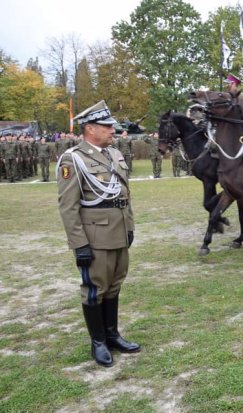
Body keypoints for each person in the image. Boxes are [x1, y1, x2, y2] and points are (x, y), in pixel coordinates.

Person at [57, 100, 140, 367]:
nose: (112, 130)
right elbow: (68, 207)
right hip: (95, 237)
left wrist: (129, 227)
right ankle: (98, 341)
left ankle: (112, 335)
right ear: (90, 129)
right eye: (107, 126)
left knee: (115, 285)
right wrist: (79, 244)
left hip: (118, 231)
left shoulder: (112, 154)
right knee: (95, 289)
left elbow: (123, 196)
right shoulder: (74, 159)